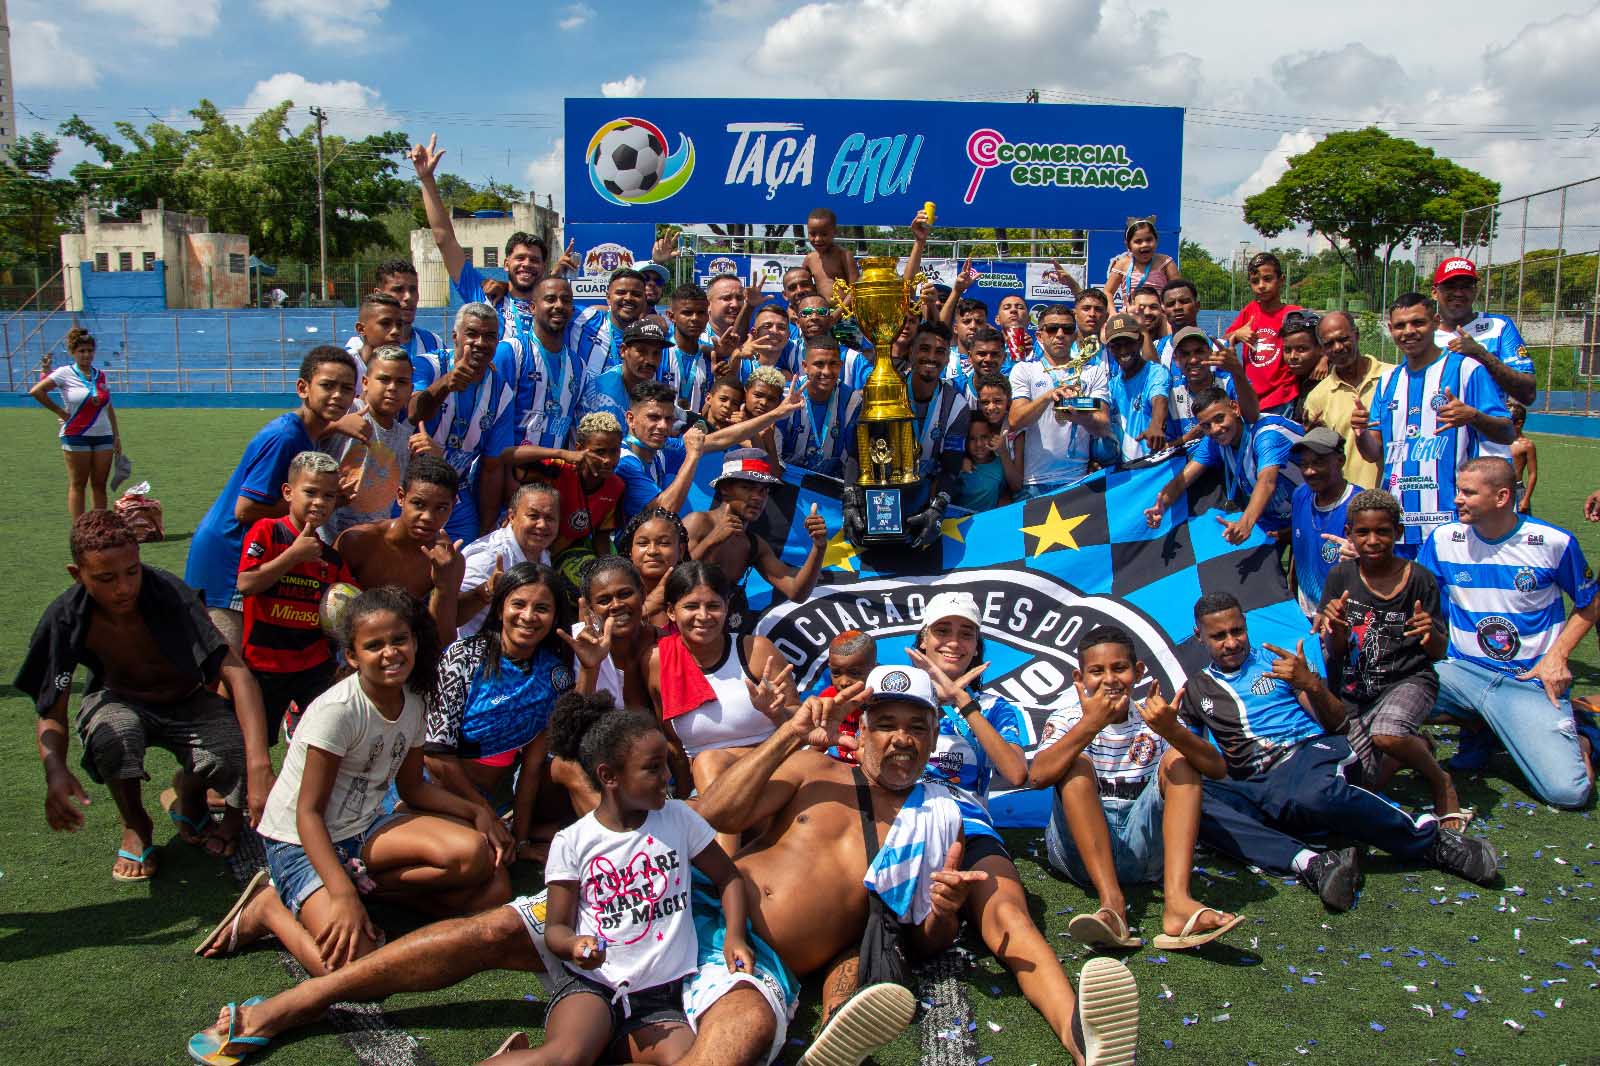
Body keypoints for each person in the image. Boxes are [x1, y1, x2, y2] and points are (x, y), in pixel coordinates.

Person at [182, 677, 1141, 1066]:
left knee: (725, 1050)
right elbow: (700, 821)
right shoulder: (812, 770)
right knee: (481, 936)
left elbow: (933, 940)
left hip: (746, 958)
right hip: (670, 894)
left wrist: (940, 915)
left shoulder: (945, 828)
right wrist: (787, 741)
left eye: (915, 730)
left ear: (933, 744)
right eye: (884, 725)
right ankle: (290, 1010)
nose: (898, 740)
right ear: (864, 732)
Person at [189, 587, 513, 985]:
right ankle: (269, 909)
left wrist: (477, 811)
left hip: (362, 828)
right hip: (301, 841)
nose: (390, 652)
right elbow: (307, 814)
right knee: (355, 970)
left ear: (413, 641)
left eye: (399, 640)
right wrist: (341, 895)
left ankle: (361, 887)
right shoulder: (338, 711)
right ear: (352, 656)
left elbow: (411, 788)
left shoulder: (414, 698)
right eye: (374, 645)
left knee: (488, 878)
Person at [1182, 592, 1499, 911]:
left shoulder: (1279, 663)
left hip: (1306, 752)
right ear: (1199, 636)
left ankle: (1432, 842)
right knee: (1189, 800)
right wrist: (1172, 729)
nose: (1231, 642)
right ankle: (1313, 863)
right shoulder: (1196, 690)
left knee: (1311, 794)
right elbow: (1195, 758)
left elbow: (1336, 723)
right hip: (1256, 782)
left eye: (1237, 631)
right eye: (1219, 636)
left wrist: (1311, 685)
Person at [17, 510, 272, 880]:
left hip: (189, 700)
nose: (123, 587)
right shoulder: (65, 618)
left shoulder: (168, 594)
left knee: (234, 751)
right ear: (77, 575)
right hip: (119, 698)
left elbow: (237, 675)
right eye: (106, 578)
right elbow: (50, 711)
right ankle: (136, 823)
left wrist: (259, 764)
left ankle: (194, 796)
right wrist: (54, 769)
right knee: (113, 734)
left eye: (131, 572)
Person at [520, 692, 753, 1066]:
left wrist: (735, 936)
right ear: (609, 776)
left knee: (686, 1060)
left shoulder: (679, 818)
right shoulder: (573, 841)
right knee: (566, 1057)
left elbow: (729, 877)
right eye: (653, 768)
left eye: (666, 766)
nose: (667, 777)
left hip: (661, 1000)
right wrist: (576, 945)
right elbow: (555, 930)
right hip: (594, 988)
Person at [1032, 625, 1241, 950]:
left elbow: (1216, 768)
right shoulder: (1067, 718)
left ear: (1138, 671)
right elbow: (1037, 777)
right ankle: (1112, 905)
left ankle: (1178, 903)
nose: (1110, 679)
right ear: (1079, 678)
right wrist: (1091, 725)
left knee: (1182, 760)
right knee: (1073, 764)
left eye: (1120, 668)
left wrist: (1175, 733)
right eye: (1097, 671)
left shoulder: (1156, 718)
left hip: (1146, 854)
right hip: (1079, 857)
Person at [1419, 458, 1597, 808]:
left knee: (1568, 793)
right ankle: (1480, 726)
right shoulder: (1443, 538)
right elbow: (1415, 587)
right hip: (1461, 674)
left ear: (1501, 497)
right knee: (1379, 689)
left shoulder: (1552, 542)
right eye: (1458, 490)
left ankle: (1581, 736)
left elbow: (1590, 602)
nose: (1457, 500)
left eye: (1468, 493)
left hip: (1526, 682)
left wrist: (1557, 655)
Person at [187, 347, 359, 650]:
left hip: (245, 553)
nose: (337, 396)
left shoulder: (306, 432)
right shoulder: (285, 436)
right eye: (328, 385)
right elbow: (245, 509)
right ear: (302, 388)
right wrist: (328, 503)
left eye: (346, 389)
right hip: (228, 553)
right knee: (228, 663)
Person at [1315, 489, 1458, 823]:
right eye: (1363, 532)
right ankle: (1412, 747)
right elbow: (1335, 654)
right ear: (1349, 534)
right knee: (1357, 783)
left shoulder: (1419, 580)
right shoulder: (1340, 577)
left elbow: (1436, 652)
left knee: (1388, 733)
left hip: (1408, 681)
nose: (1373, 540)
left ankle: (1441, 780)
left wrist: (1429, 632)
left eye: (1383, 531)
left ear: (1398, 533)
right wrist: (1335, 629)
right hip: (1357, 692)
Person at [425, 563, 576, 859]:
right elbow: (435, 756)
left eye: (542, 608)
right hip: (433, 791)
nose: (529, 617)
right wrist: (484, 814)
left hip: (490, 801)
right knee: (475, 859)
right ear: (499, 609)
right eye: (518, 604)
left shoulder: (555, 675)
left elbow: (531, 768)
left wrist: (519, 842)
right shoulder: (463, 657)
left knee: (497, 873)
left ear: (556, 617)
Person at [1351, 293, 1514, 555]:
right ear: (1391, 329)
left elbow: (1507, 432)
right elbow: (1374, 453)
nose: (1409, 332)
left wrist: (1473, 415)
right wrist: (1360, 434)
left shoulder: (1466, 370)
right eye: (1401, 326)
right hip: (1399, 523)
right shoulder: (1388, 381)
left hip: (1453, 521)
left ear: (1436, 322)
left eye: (1418, 323)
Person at [411, 134, 574, 349]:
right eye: (520, 258)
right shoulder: (484, 296)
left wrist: (555, 277)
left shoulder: (555, 307)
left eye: (534, 260)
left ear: (543, 267)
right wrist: (427, 179)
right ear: (506, 264)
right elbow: (444, 239)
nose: (526, 264)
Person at [237, 452, 355, 745]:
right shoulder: (267, 530)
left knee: (322, 739)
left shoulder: (330, 557)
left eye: (329, 495)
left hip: (313, 665)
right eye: (311, 492)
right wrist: (292, 556)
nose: (319, 502)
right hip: (264, 664)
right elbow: (246, 584)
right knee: (254, 744)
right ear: (288, 493)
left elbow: (354, 603)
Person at [646, 562, 795, 792]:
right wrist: (687, 801)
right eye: (691, 606)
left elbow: (800, 722)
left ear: (727, 607)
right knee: (708, 764)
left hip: (775, 771)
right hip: (707, 784)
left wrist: (777, 713)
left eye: (713, 605)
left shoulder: (756, 650)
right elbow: (673, 745)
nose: (703, 616)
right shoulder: (656, 663)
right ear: (671, 612)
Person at [615, 379, 802, 527]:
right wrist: (692, 456)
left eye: (668, 419)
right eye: (653, 418)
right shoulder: (624, 462)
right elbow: (664, 512)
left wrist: (777, 413)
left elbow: (722, 439)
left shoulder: (663, 448)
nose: (663, 426)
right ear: (631, 419)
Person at [409, 302, 520, 542]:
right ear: (455, 336)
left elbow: (491, 467)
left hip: (455, 489)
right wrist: (446, 384)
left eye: (490, 336)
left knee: (466, 551)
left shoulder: (502, 392)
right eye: (472, 334)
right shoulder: (428, 365)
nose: (480, 342)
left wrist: (486, 524)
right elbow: (412, 413)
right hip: (411, 485)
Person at [1143, 387, 1304, 545]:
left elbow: (1267, 482)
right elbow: (1183, 479)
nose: (1215, 429)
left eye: (1219, 418)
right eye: (1206, 426)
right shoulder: (1213, 442)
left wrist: (1245, 524)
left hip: (1317, 509)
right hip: (1278, 519)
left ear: (1234, 408)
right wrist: (1162, 503)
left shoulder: (1266, 436)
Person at [335, 455, 466, 641]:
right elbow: (327, 605)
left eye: (441, 508)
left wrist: (443, 586)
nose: (428, 517)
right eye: (418, 504)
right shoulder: (358, 542)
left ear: (453, 507)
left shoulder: (448, 561)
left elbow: (443, 640)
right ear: (401, 497)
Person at [686, 450, 829, 611]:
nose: (757, 497)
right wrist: (711, 541)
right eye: (747, 487)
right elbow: (668, 580)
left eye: (763, 491)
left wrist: (819, 547)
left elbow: (797, 592)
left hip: (717, 630)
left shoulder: (753, 545)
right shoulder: (698, 523)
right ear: (725, 488)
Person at [504, 412, 625, 597]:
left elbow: (601, 536)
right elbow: (506, 456)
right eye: (599, 452)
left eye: (614, 451)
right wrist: (561, 452)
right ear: (579, 448)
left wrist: (610, 574)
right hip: (526, 551)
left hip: (564, 556)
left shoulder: (615, 486)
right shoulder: (559, 469)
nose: (608, 460)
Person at [324, 344, 434, 543]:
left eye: (401, 382)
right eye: (384, 379)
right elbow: (303, 434)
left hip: (369, 548)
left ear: (411, 389)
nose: (392, 388)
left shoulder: (404, 438)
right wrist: (335, 426)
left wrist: (433, 458)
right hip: (325, 544)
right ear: (365, 382)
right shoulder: (347, 411)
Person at [1008, 304, 1112, 497]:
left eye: (1068, 329)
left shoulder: (1093, 372)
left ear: (1075, 335)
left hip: (1079, 480)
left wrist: (1078, 416)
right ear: (1040, 336)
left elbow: (1103, 426)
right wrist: (1049, 396)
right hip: (1034, 482)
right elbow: (1015, 420)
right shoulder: (1024, 370)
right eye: (1052, 328)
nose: (1060, 334)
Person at [30, 326, 122, 518]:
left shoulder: (100, 375)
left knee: (99, 484)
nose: (86, 355)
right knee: (78, 484)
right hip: (76, 436)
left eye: (89, 350)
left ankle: (99, 528)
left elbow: (108, 406)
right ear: (73, 352)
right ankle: (79, 530)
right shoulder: (65, 373)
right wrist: (61, 412)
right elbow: (37, 391)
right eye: (81, 351)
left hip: (103, 435)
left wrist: (116, 435)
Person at [456, 483, 561, 639]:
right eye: (533, 516)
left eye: (550, 518)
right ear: (512, 517)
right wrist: (485, 592)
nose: (542, 525)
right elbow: (453, 614)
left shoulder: (542, 552)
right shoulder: (489, 557)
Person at [1431, 256, 1537, 405]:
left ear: (1475, 291)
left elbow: (1528, 394)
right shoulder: (1425, 333)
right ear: (1435, 292)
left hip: (1488, 426)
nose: (1458, 293)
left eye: (1466, 286)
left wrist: (1481, 354)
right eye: (1450, 286)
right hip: (1437, 427)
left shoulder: (1498, 326)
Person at [1305, 311, 1386, 489]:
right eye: (1329, 344)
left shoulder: (1392, 378)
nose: (1338, 347)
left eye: (1343, 339)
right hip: (1348, 502)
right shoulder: (1318, 397)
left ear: (1356, 335)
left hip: (1393, 497)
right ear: (1322, 349)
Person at [502, 276, 582, 454]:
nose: (559, 305)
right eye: (550, 299)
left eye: (566, 301)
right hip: (509, 474)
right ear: (532, 307)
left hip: (551, 476)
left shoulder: (579, 366)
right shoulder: (511, 352)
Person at [1286, 428, 1357, 620]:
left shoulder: (1359, 506)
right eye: (1304, 464)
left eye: (1318, 463)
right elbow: (1299, 549)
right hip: (1305, 614)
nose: (1309, 471)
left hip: (1341, 617)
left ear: (1340, 461)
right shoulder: (1301, 495)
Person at [1224, 252, 1301, 415]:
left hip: (1282, 397)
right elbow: (1224, 340)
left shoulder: (1293, 313)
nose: (1261, 285)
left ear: (1281, 280)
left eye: (1267, 279)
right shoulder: (1249, 311)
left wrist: (1323, 359)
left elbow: (1321, 336)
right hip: (1252, 397)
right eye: (1255, 281)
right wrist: (1237, 334)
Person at [775, 338, 861, 478]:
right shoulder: (786, 395)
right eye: (819, 364)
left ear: (840, 365)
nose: (826, 372)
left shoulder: (852, 401)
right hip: (788, 481)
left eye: (833, 364)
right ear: (805, 366)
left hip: (830, 485)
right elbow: (774, 453)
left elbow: (852, 456)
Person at [1164, 326, 1257, 442]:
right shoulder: (1171, 396)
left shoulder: (1229, 382)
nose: (1193, 360)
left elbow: (1252, 417)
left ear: (1210, 353)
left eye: (1199, 352)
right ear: (1175, 360)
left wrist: (1237, 371)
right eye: (1185, 354)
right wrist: (1193, 435)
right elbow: (1164, 449)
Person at [343, 260, 442, 368]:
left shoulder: (434, 343)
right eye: (398, 290)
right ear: (378, 295)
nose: (408, 297)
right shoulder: (351, 359)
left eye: (413, 290)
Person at [1103, 311, 1170, 460]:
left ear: (1140, 341)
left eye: (1129, 343)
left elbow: (1159, 399)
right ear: (1109, 348)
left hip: (1153, 467)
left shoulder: (1156, 372)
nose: (1123, 350)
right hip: (1125, 473)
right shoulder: (1112, 386)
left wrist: (1156, 425)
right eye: (1116, 346)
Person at [580, 318, 670, 425]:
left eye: (656, 353)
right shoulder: (607, 397)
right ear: (623, 351)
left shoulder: (641, 377)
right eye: (642, 351)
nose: (650, 360)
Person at [570, 269, 655, 381]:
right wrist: (555, 275)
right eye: (621, 293)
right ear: (608, 297)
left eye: (636, 294)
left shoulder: (652, 337)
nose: (628, 298)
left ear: (644, 300)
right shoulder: (585, 318)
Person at [617, 506, 689, 634]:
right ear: (630, 551)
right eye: (642, 543)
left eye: (664, 543)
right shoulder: (614, 593)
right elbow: (597, 637)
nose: (652, 551)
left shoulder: (693, 594)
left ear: (681, 551)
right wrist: (651, 605)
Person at [1104, 218, 1176, 312]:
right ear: (1128, 245)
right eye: (1138, 241)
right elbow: (1107, 292)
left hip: (1159, 316)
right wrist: (1113, 313)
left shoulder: (1165, 262)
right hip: (1130, 317)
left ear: (1156, 240)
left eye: (1149, 239)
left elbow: (1177, 290)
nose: (1144, 244)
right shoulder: (1122, 264)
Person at [954, 411, 1020, 510]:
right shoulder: (957, 464)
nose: (979, 444)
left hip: (987, 523)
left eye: (984, 437)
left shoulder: (1000, 465)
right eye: (972, 439)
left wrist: (1003, 452)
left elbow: (1015, 487)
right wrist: (958, 463)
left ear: (992, 436)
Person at [342, 291, 406, 384]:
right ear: (361, 329)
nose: (395, 331)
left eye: (399, 325)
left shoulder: (404, 366)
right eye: (385, 323)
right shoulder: (346, 368)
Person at [1277, 310, 1325, 424]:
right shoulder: (1290, 376)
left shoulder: (1330, 378)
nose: (1293, 356)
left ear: (1321, 348)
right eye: (1287, 350)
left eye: (1301, 349)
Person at [802, 206, 858, 303]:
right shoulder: (809, 259)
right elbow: (801, 287)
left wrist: (837, 314)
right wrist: (792, 309)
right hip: (821, 313)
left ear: (835, 232)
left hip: (846, 314)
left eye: (824, 234)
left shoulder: (844, 256)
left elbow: (855, 290)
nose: (818, 239)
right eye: (813, 234)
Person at [1154, 277, 1200, 365]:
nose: (1177, 307)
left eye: (1184, 301)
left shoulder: (1218, 347)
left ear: (1197, 306)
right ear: (1163, 311)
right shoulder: (1155, 348)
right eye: (1170, 304)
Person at [1509, 401, 1537, 513]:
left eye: (1508, 422)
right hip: (1497, 487)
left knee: (1522, 526)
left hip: (1517, 490)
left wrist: (1526, 498)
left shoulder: (1527, 445)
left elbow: (1532, 473)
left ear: (1519, 423)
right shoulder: (1498, 440)